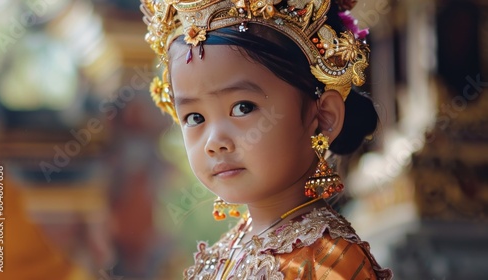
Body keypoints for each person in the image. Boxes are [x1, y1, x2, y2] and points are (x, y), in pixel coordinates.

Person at [140, 0, 393, 278]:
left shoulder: (328, 261)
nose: (214, 142)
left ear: (323, 116)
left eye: (242, 108)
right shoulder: (228, 249)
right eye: (195, 118)